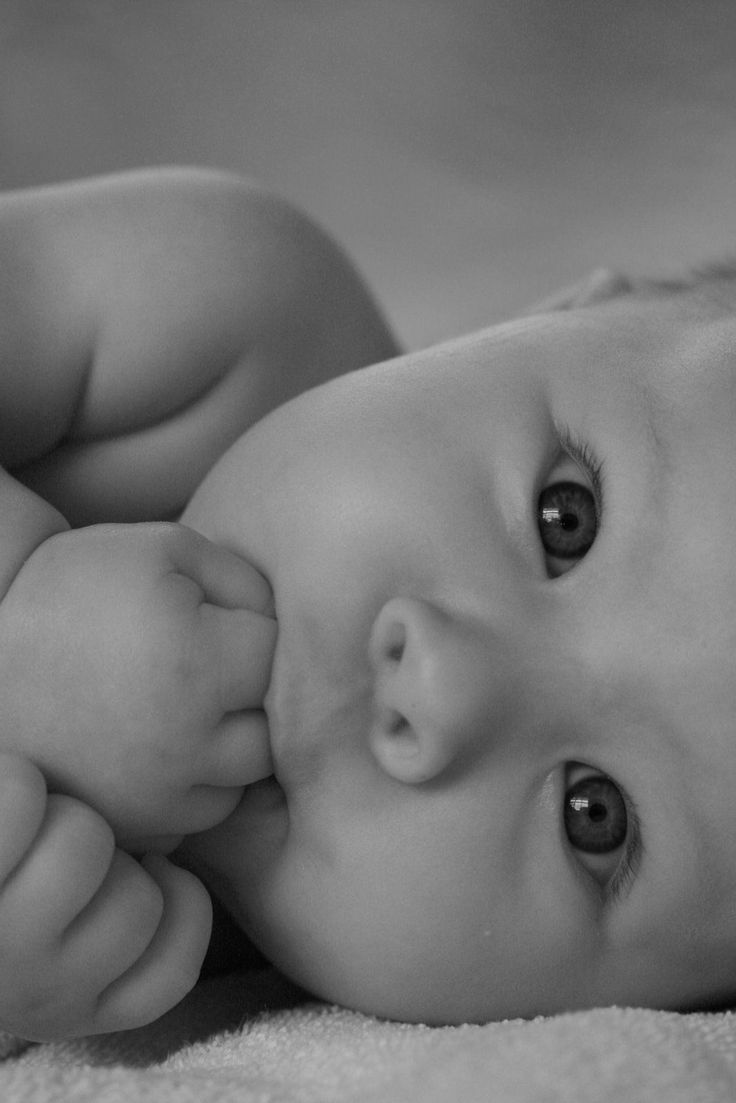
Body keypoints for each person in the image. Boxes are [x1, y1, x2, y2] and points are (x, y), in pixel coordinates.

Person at [2, 168, 736, 1043]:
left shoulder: (139, 969)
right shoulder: (235, 309)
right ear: (549, 316)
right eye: (563, 519)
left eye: (595, 816)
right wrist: (20, 594)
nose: (444, 686)